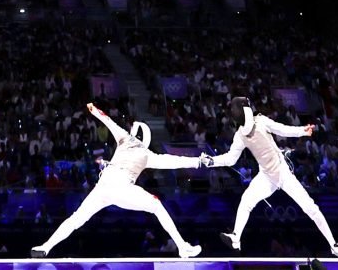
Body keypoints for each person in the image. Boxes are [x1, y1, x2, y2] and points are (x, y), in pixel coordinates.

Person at [32, 101, 208, 257]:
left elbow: (107, 120)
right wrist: (199, 162)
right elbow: (176, 161)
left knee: (77, 218)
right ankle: (182, 247)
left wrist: (93, 110)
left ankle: (45, 247)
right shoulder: (146, 154)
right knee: (156, 205)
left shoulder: (125, 139)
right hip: (121, 188)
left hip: (104, 187)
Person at [213, 96, 338, 255]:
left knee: (310, 208)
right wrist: (211, 161)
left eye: (234, 108)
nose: (232, 112)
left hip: (282, 173)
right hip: (265, 177)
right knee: (246, 201)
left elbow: (282, 129)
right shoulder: (240, 136)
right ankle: (236, 238)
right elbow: (230, 159)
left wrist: (302, 131)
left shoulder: (261, 121)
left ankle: (333, 246)